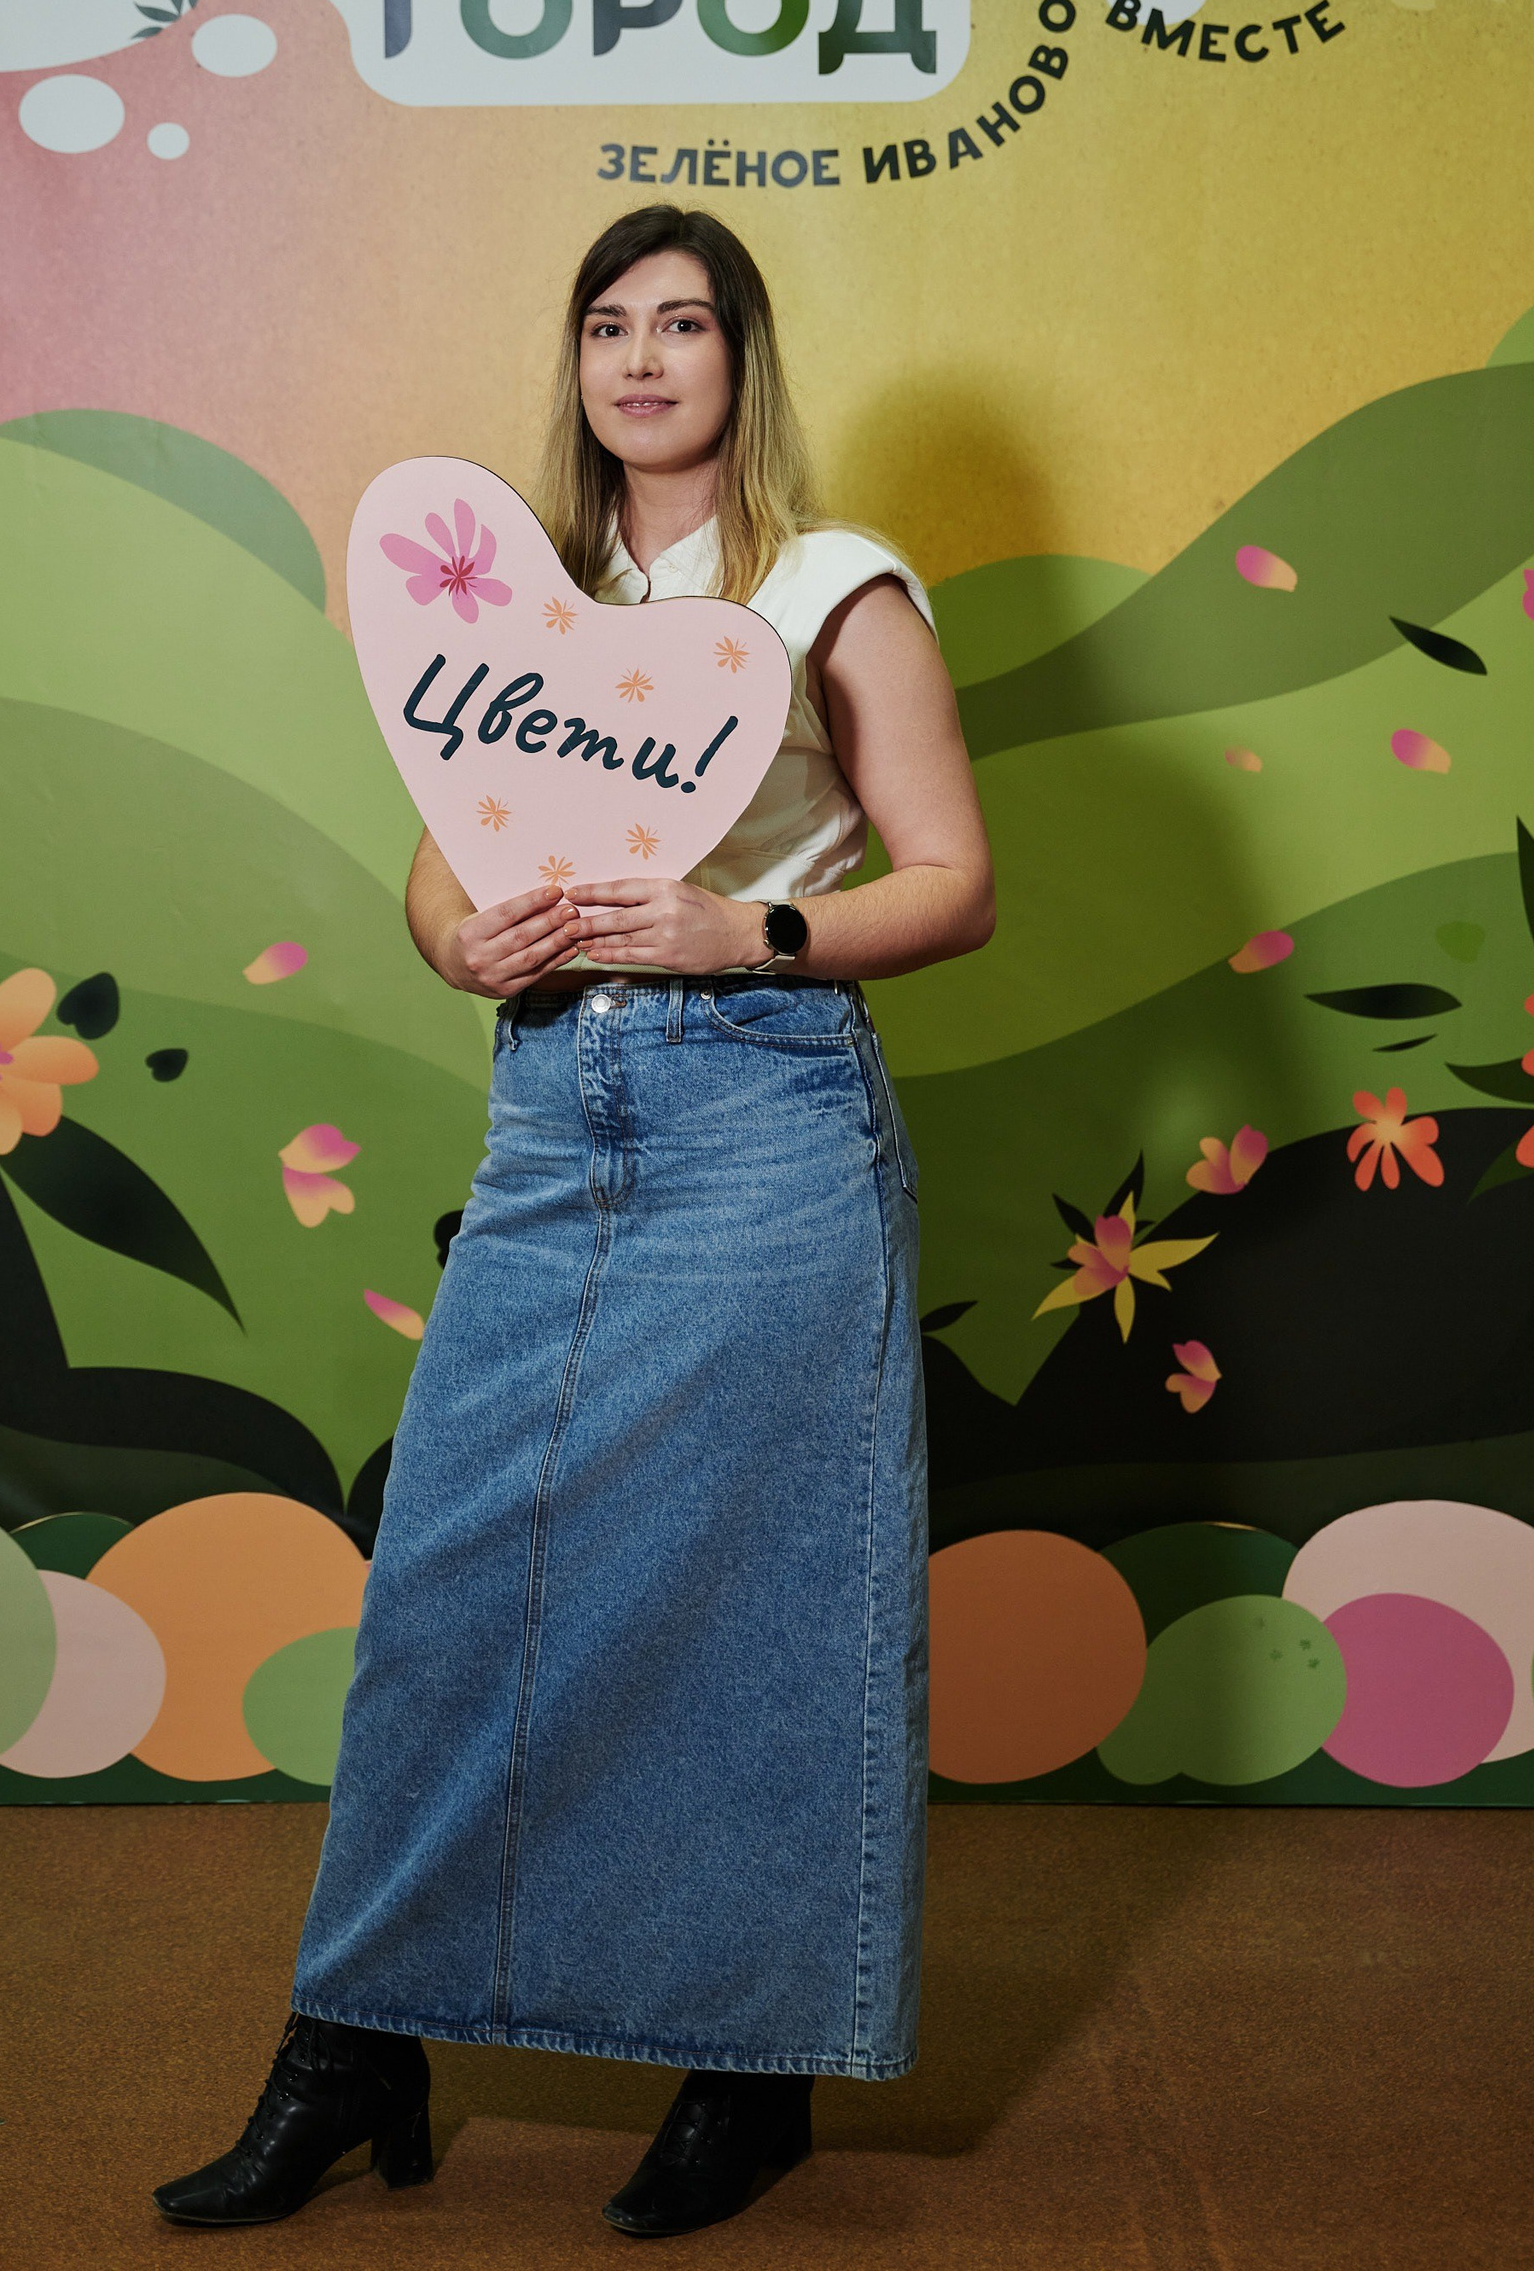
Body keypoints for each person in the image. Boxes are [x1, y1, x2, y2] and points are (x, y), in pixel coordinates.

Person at [154, 204, 995, 2238]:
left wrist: (745, 928)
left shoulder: (832, 586)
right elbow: (443, 869)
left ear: (741, 359)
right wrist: (463, 942)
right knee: (450, 1586)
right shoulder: (517, 595)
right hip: (554, 1111)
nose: (640, 358)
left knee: (771, 1602)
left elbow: (956, 880)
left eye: (682, 323)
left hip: (767, 1113)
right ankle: (357, 2048)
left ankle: (752, 2076)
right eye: (608, 323)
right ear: (579, 360)